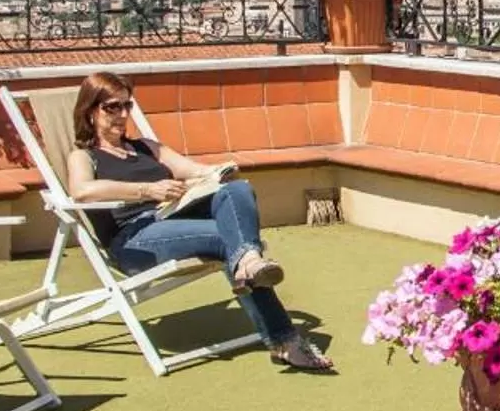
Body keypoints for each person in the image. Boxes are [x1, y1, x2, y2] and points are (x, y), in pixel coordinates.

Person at [66, 71, 335, 374]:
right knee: (227, 240)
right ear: (90, 110)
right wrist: (146, 190)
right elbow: (82, 191)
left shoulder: (146, 147)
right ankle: (284, 339)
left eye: (126, 106)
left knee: (237, 189)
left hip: (171, 217)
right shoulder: (85, 156)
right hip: (133, 240)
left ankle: (249, 260)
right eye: (111, 107)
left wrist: (214, 173)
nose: (122, 114)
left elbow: (194, 170)